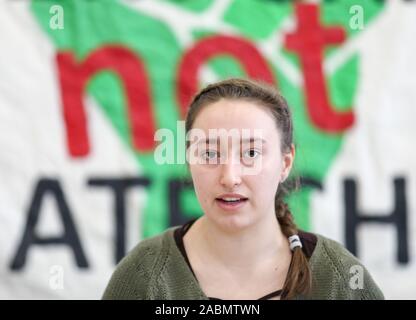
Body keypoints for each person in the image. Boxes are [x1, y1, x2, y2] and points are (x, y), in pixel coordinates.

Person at [102, 78, 384, 300]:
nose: (229, 177)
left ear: (285, 163)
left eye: (251, 153)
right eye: (210, 154)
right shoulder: (145, 275)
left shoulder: (338, 278)